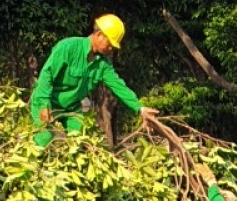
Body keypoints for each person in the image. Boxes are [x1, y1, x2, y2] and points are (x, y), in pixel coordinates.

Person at [30, 14, 156, 147]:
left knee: (79, 142)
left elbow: (119, 86)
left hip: (71, 108)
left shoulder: (103, 64)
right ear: (100, 35)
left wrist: (140, 108)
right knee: (43, 140)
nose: (111, 48)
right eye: (110, 43)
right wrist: (44, 104)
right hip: (47, 102)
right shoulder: (68, 47)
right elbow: (47, 75)